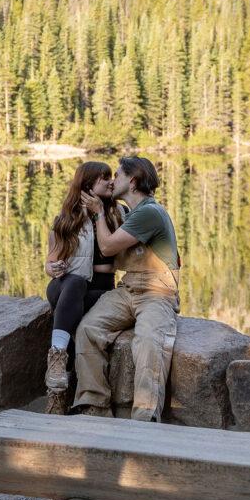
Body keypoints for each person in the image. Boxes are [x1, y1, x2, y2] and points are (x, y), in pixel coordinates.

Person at [74, 156, 180, 422]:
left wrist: (99, 212)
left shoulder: (150, 212)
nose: (112, 181)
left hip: (157, 291)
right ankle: (94, 406)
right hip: (129, 287)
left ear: (132, 181)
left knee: (148, 342)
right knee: (88, 329)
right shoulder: (131, 213)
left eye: (117, 175)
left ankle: (144, 419)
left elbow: (108, 247)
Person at [44, 161, 125, 413]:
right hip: (65, 286)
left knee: (74, 317)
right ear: (88, 185)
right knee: (76, 282)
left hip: (99, 292)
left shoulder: (119, 215)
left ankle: (57, 395)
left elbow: (116, 261)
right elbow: (50, 262)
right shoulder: (65, 220)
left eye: (112, 177)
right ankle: (57, 358)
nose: (111, 182)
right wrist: (55, 268)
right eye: (105, 178)